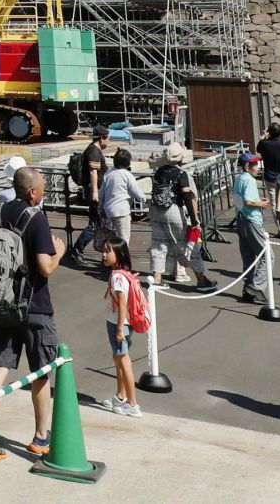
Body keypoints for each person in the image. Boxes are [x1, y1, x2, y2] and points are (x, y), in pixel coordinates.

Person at [0, 165, 63, 463]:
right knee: (40, 372)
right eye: (44, 187)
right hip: (35, 306)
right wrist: (59, 251)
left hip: (2, 303)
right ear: (32, 192)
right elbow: (45, 267)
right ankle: (41, 437)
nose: (45, 192)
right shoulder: (36, 219)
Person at [147, 142, 214, 290]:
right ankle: (202, 281)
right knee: (188, 244)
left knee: (159, 244)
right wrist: (194, 219)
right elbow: (188, 196)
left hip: (157, 211)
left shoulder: (159, 171)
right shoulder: (181, 173)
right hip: (173, 210)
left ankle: (156, 280)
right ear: (181, 156)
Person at [101, 237, 142, 418]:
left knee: (124, 361)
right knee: (118, 359)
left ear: (118, 255)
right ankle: (120, 396)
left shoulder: (117, 276)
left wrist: (119, 329)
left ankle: (133, 404)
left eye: (108, 251)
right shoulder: (122, 273)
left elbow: (122, 305)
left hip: (119, 324)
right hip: (119, 324)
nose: (104, 255)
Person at [64, 126, 111, 265]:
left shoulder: (93, 150)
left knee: (100, 223)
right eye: (108, 138)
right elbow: (93, 172)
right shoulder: (94, 152)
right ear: (102, 138)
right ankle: (77, 250)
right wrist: (96, 192)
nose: (109, 141)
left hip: (94, 191)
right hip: (95, 192)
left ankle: (103, 254)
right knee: (96, 224)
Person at [232, 151, 270, 302]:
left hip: (241, 219)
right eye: (255, 165)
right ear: (247, 166)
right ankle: (256, 286)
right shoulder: (250, 180)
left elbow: (242, 199)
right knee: (267, 256)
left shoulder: (238, 179)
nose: (258, 167)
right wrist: (261, 204)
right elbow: (248, 201)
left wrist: (258, 200)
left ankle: (247, 289)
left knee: (248, 257)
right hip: (251, 219)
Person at [99, 147, 141, 247]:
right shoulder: (127, 175)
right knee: (123, 239)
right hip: (122, 211)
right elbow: (137, 192)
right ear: (128, 163)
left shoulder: (108, 174)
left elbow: (102, 193)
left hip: (108, 210)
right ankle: (122, 261)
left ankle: (108, 259)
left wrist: (100, 207)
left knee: (109, 239)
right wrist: (144, 198)